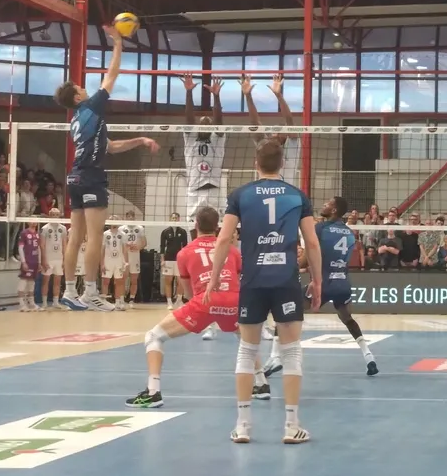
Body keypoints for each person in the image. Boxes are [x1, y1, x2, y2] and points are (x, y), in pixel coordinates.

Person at [204, 138, 322, 445]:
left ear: (256, 164)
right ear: (282, 164)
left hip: (253, 281)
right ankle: (291, 425)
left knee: (247, 352)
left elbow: (224, 239)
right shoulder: (297, 196)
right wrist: (318, 282)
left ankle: (243, 426)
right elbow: (311, 243)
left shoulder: (241, 195)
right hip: (286, 280)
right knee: (292, 352)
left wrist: (214, 277)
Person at [54, 24, 158, 311]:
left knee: (76, 237)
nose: (84, 87)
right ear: (77, 97)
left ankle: (69, 292)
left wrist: (140, 140)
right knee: (94, 237)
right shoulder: (91, 107)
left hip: (75, 177)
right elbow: (111, 75)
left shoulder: (78, 118)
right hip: (90, 177)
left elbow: (110, 146)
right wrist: (117, 43)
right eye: (80, 87)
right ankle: (89, 293)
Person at [126, 206, 270, 408]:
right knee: (243, 337)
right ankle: (261, 383)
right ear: (217, 226)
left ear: (195, 225)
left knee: (153, 336)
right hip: (234, 301)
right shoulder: (231, 250)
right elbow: (237, 280)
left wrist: (199, 317)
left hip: (205, 301)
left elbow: (189, 293)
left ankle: (153, 391)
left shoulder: (185, 253)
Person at [265, 196, 378, 378]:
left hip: (323, 284)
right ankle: (369, 356)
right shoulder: (350, 233)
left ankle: (275, 357)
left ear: (334, 210)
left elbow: (311, 253)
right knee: (347, 318)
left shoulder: (320, 228)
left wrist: (294, 266)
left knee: (283, 310)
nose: (324, 204)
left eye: (328, 203)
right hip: (342, 282)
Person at [181, 74, 226, 230]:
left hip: (214, 190)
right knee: (194, 230)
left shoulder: (217, 140)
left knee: (217, 230)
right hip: (194, 191)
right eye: (202, 120)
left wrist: (216, 96)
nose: (206, 119)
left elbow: (219, 122)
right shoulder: (191, 140)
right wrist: (188, 92)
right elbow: (189, 119)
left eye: (209, 120)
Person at [40, 209, 69, 310]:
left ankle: (55, 302)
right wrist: (43, 260)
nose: (55, 216)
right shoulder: (45, 228)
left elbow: (65, 245)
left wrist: (65, 260)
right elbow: (42, 246)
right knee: (45, 281)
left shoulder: (63, 228)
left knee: (57, 281)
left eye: (57, 215)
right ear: (49, 215)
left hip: (59, 259)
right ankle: (44, 303)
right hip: (48, 258)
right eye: (53, 215)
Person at [117, 211, 147, 307]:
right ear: (126, 217)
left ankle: (131, 300)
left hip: (135, 256)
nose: (130, 218)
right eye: (128, 216)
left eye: (132, 216)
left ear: (134, 217)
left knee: (134, 279)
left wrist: (138, 247)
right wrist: (126, 246)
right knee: (122, 278)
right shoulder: (121, 228)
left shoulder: (140, 228)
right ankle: (121, 299)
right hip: (125, 255)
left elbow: (144, 243)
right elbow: (118, 243)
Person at [160, 212, 189, 308]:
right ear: (170, 219)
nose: (174, 220)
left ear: (178, 219)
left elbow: (185, 247)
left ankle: (179, 300)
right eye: (172, 218)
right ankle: (169, 302)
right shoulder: (165, 232)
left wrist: (185, 261)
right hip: (168, 259)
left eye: (176, 218)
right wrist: (162, 260)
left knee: (181, 281)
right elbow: (162, 247)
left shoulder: (183, 231)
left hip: (179, 260)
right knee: (168, 281)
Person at [17, 220, 41, 312]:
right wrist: (23, 262)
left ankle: (31, 303)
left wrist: (39, 262)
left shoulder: (37, 234)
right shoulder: (24, 233)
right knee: (23, 282)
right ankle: (21, 304)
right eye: (32, 220)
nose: (34, 222)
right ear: (27, 222)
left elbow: (38, 248)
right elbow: (20, 247)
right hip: (27, 260)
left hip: (34, 261)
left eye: (36, 220)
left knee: (31, 283)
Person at [102, 223, 128, 310]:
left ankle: (118, 303)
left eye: (116, 221)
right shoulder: (105, 234)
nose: (114, 223)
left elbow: (125, 249)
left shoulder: (122, 234)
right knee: (106, 281)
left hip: (119, 261)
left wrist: (126, 262)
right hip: (108, 260)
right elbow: (102, 249)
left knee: (119, 282)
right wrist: (102, 263)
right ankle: (104, 302)